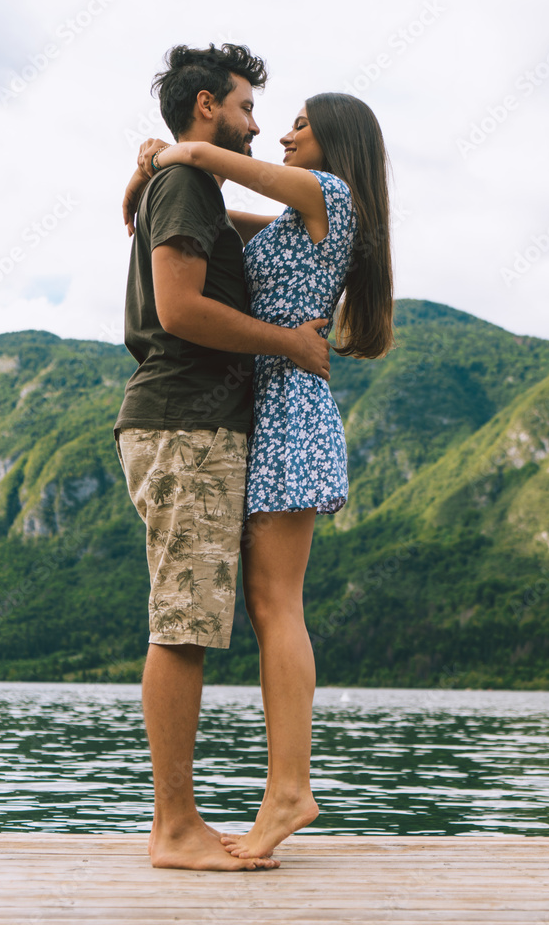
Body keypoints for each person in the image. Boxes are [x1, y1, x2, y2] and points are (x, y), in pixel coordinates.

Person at [125, 83, 394, 860]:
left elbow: (213, 161)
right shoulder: (300, 220)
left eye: (301, 123)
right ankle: (282, 790)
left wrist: (171, 152)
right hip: (268, 406)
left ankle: (288, 791)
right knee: (268, 599)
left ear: (335, 139)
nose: (281, 132)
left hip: (287, 410)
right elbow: (221, 222)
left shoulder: (328, 193)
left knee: (277, 603)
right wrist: (151, 176)